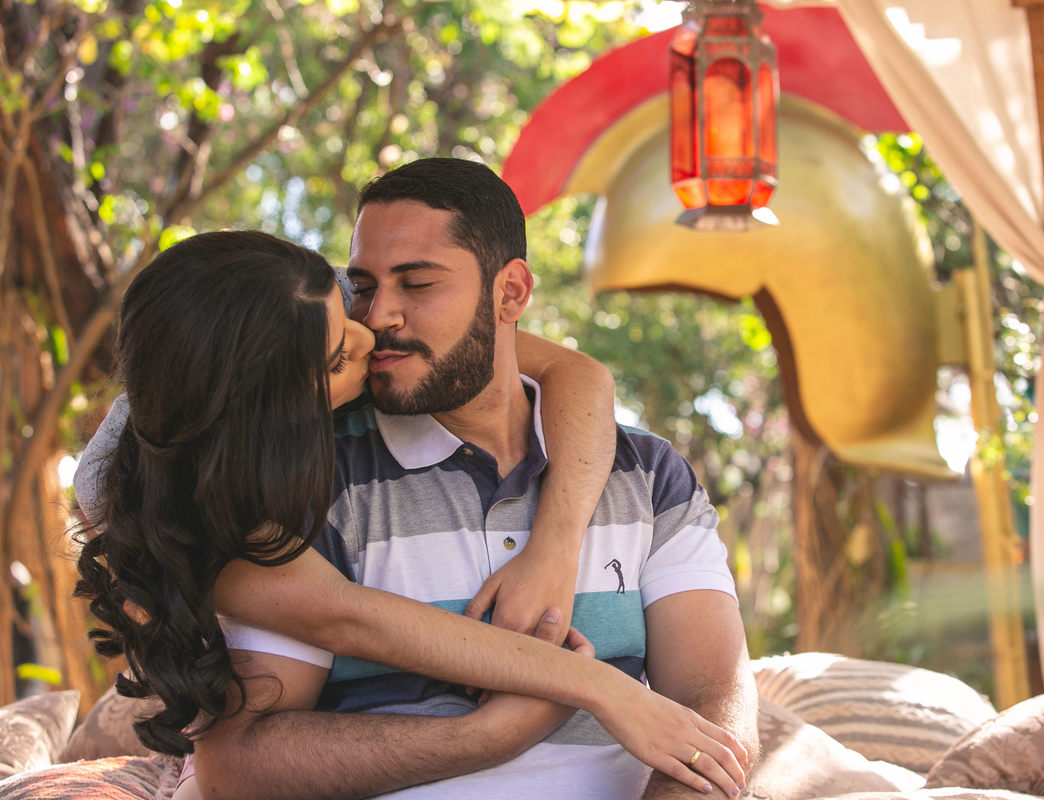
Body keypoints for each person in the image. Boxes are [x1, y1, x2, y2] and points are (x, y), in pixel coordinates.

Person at [73, 230, 749, 797]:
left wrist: (554, 550)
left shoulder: (315, 299)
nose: (373, 343)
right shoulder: (166, 507)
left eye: (353, 318)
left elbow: (582, 377)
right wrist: (584, 691)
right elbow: (351, 617)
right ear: (276, 418)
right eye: (341, 358)